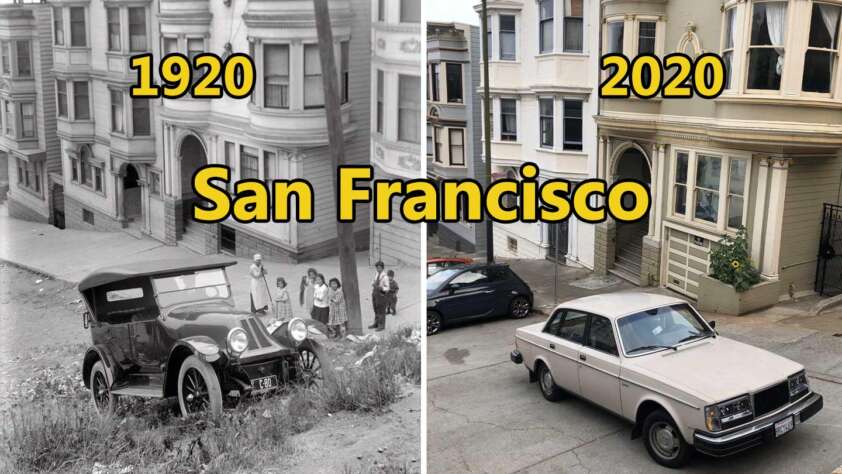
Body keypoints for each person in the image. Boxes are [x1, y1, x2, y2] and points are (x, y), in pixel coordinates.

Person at [370, 261, 389, 331]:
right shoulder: (376, 274)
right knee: (375, 309)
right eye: (377, 268)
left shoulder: (385, 277)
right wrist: (373, 283)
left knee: (381, 310)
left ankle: (381, 325)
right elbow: (373, 281)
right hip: (375, 293)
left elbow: (387, 288)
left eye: (379, 268)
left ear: (382, 268)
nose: (378, 269)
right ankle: (376, 323)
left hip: (381, 295)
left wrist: (381, 287)